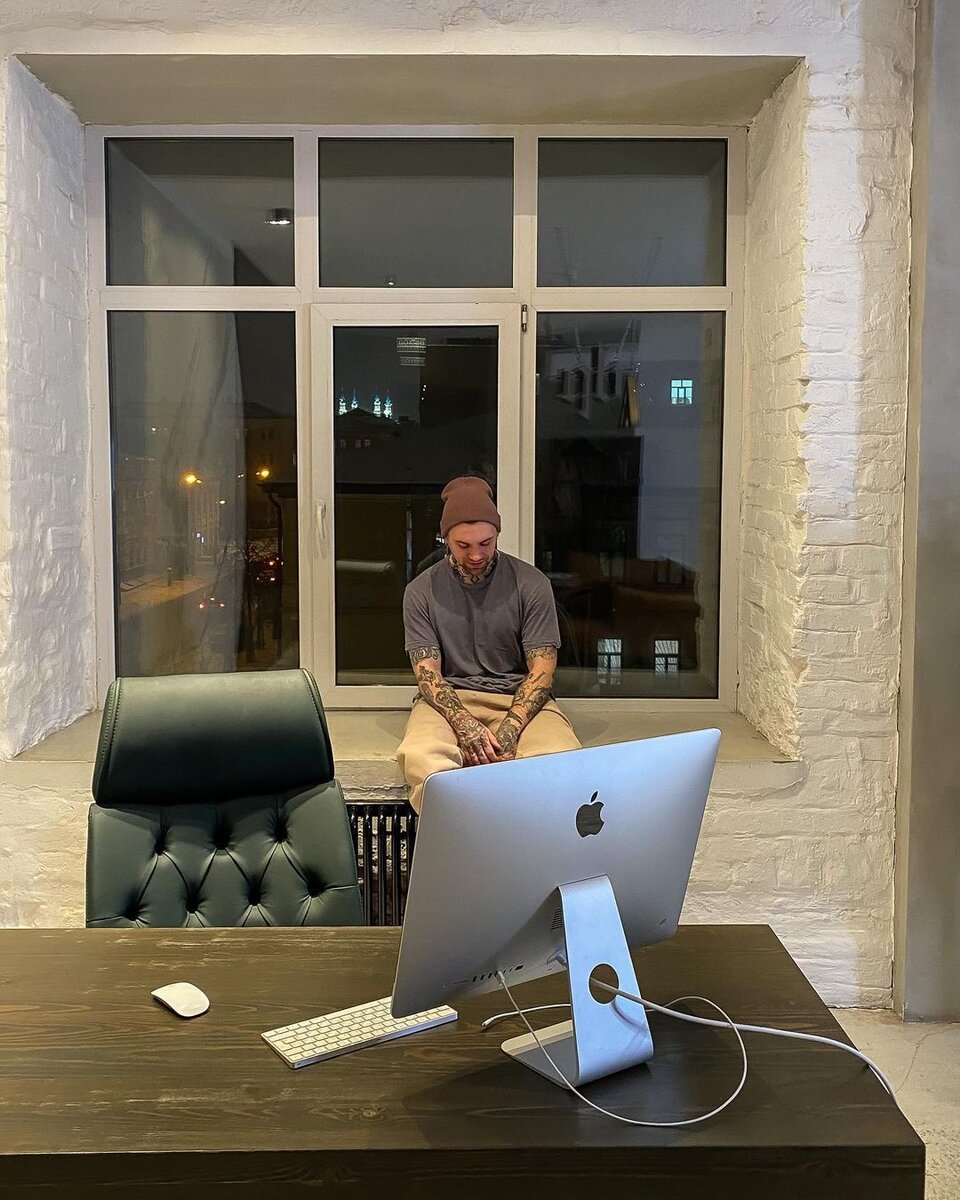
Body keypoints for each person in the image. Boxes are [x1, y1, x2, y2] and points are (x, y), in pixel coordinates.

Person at [397, 475, 581, 813]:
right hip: (450, 698)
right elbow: (428, 675)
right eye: (463, 545)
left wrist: (510, 728)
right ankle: (463, 842)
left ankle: (528, 845)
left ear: (497, 533)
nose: (476, 554)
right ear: (445, 538)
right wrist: (464, 724)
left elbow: (542, 670)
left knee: (561, 763)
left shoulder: (531, 583)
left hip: (520, 697)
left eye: (486, 542)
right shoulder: (421, 591)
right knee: (423, 760)